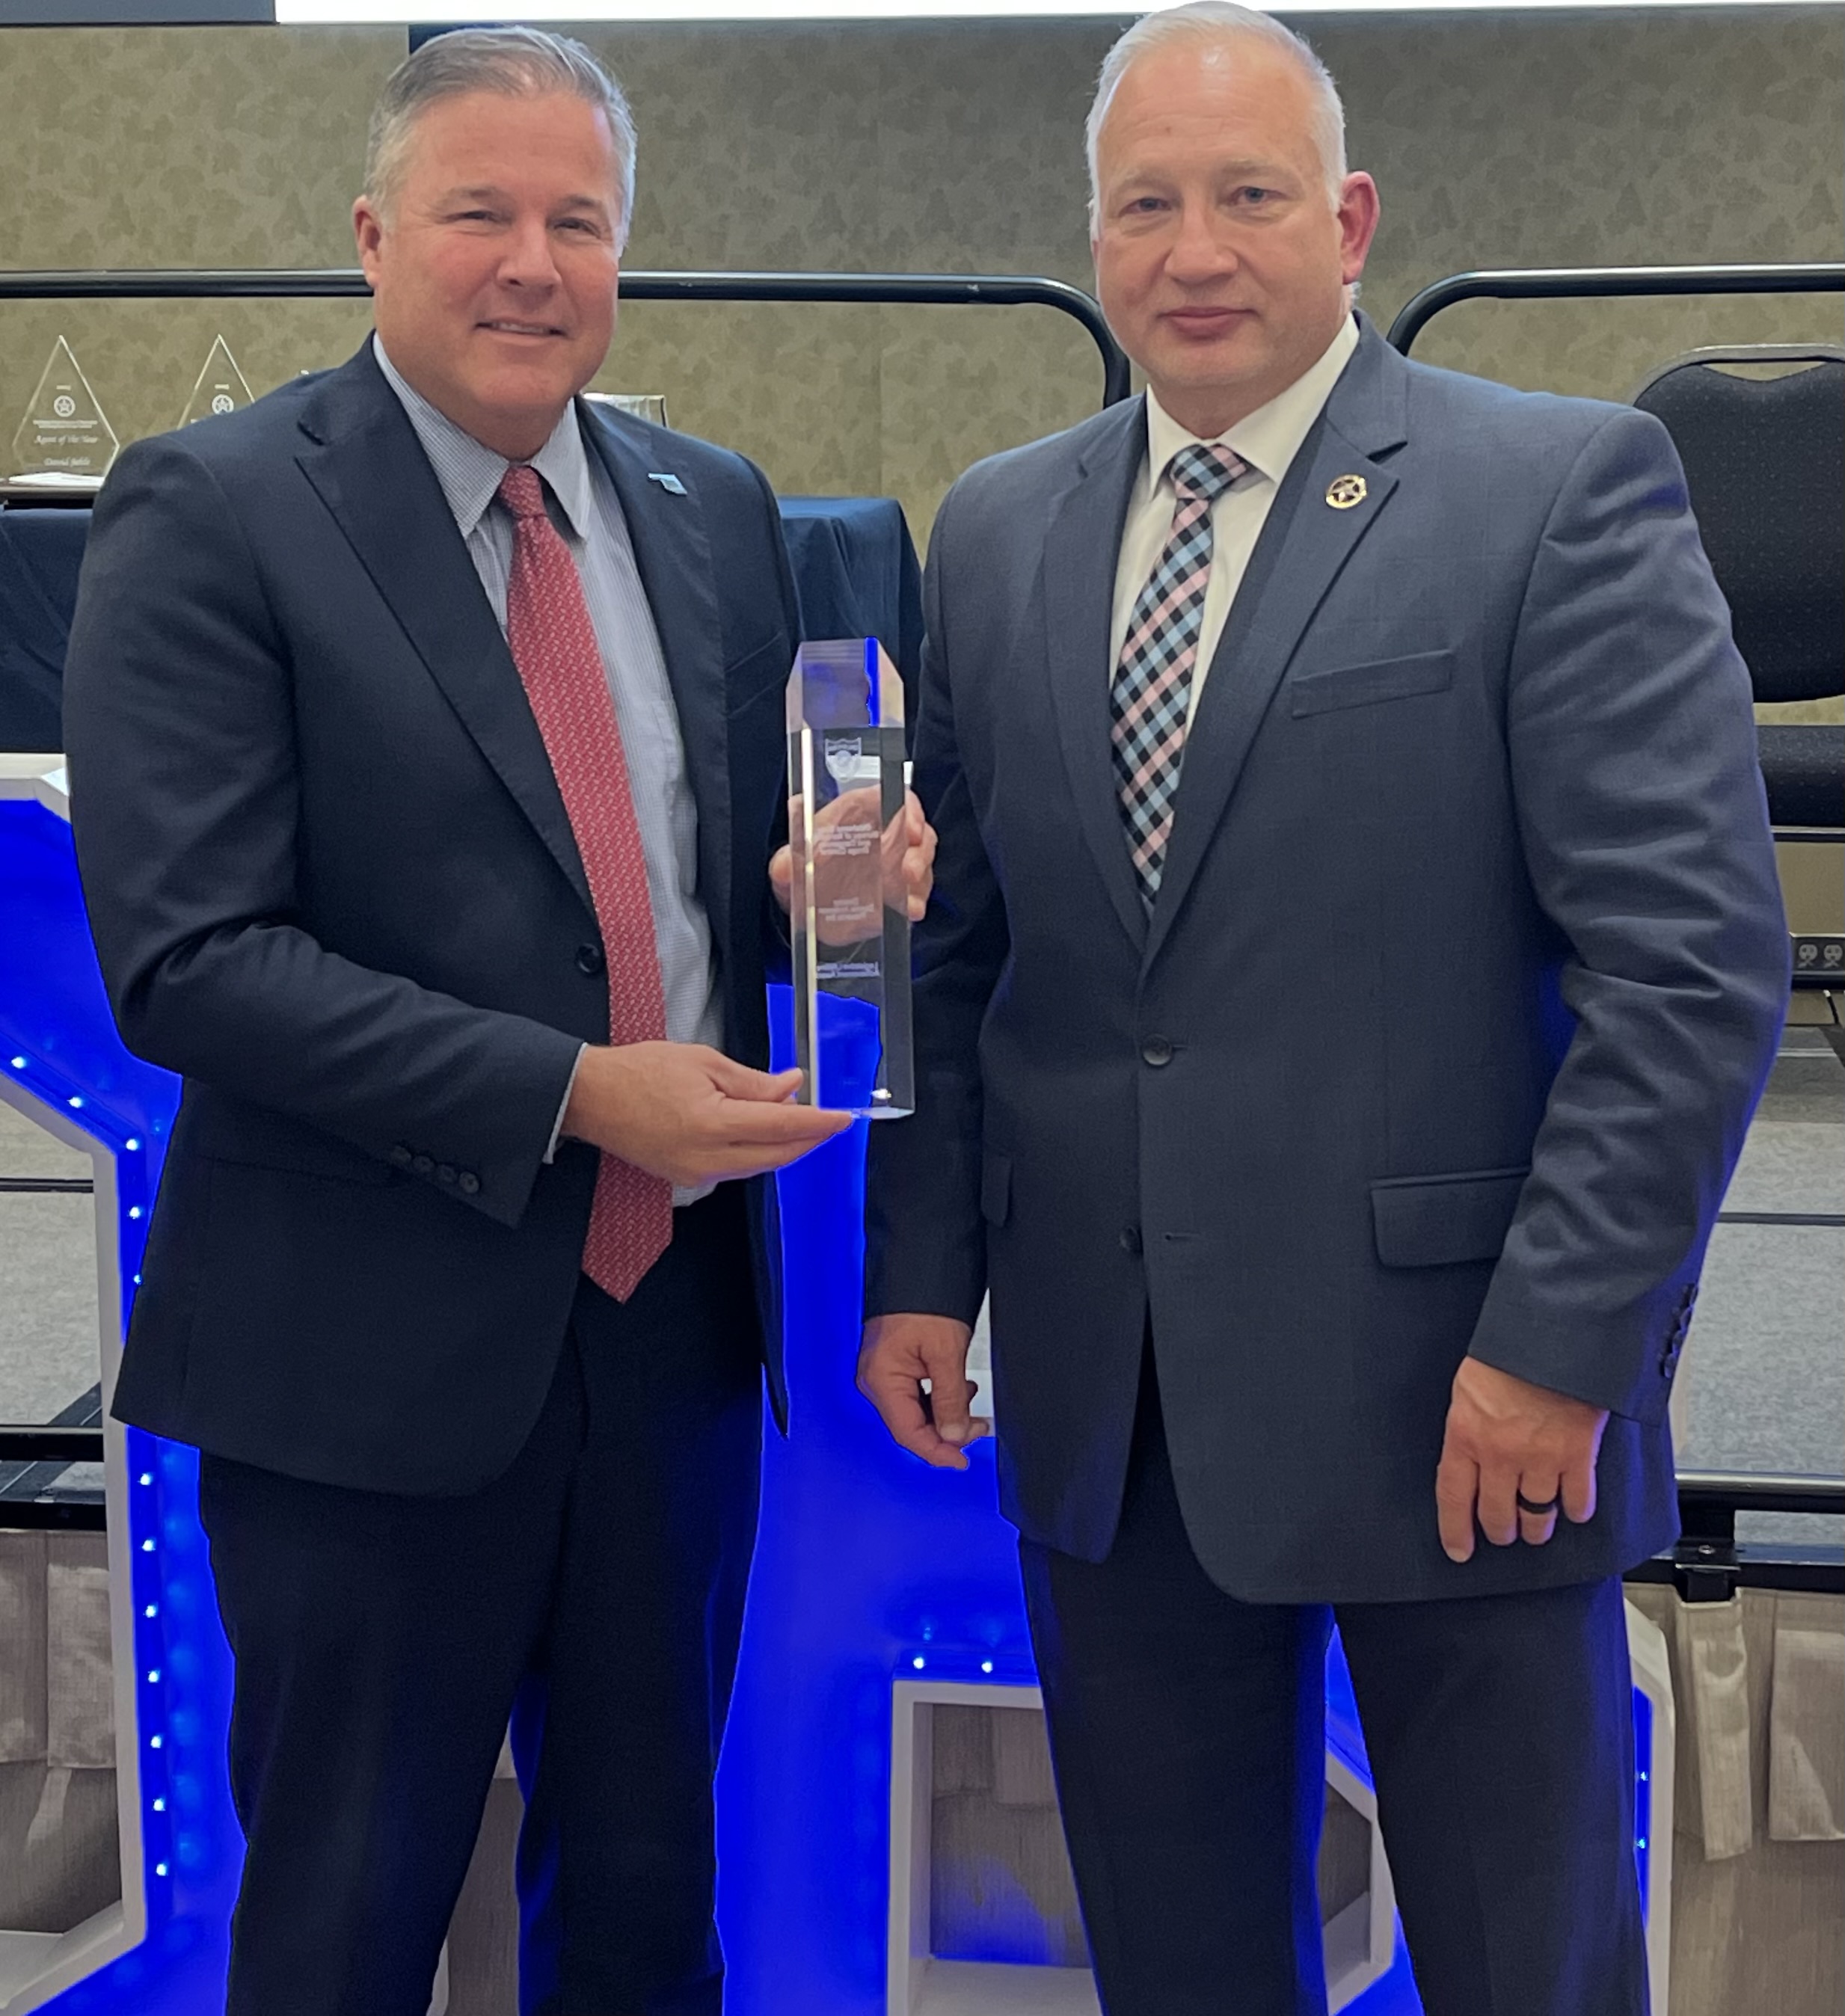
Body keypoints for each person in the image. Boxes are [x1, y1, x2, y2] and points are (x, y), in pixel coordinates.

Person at [859, 7, 1787, 2013]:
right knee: (1178, 1962)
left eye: (1249, 194)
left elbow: (1687, 965)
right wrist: (918, 1272)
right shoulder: (998, 525)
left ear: (1348, 218)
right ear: (1095, 240)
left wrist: (1561, 1344)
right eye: (1145, 204)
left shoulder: (1554, 492)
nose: (1195, 248)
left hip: (1458, 1399)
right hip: (1116, 1402)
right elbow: (956, 941)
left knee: (1519, 1965)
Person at [61, 28, 930, 2016]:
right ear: (373, 237)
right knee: (342, 1927)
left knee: (643, 1913)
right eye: (480, 213)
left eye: (577, 220)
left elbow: (717, 887)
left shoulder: (714, 506)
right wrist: (570, 1094)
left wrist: (832, 904)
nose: (531, 260)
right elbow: (188, 959)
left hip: (670, 1356)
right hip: (359, 1365)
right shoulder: (206, 509)